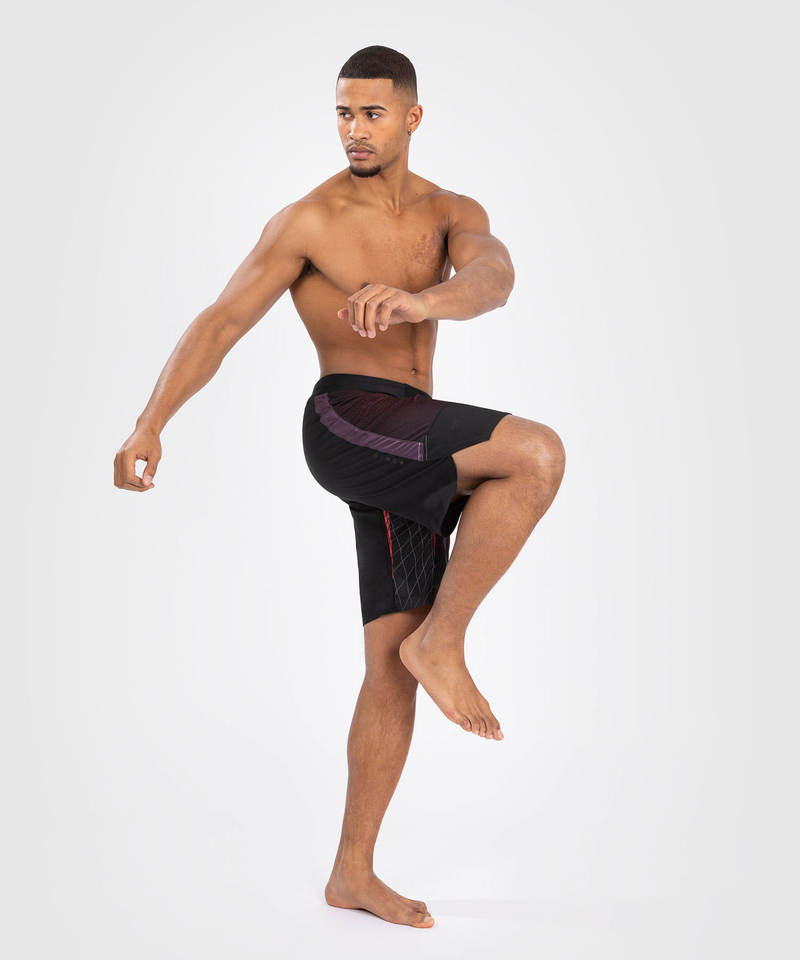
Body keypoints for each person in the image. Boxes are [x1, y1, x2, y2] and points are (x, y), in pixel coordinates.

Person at [113, 45, 566, 930]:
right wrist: (149, 421)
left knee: (387, 668)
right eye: (343, 114)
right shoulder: (309, 220)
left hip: (413, 438)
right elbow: (222, 320)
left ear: (412, 118)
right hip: (349, 418)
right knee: (535, 453)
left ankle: (352, 873)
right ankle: (445, 642)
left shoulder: (452, 212)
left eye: (372, 113)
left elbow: (495, 279)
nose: (354, 129)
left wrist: (420, 302)